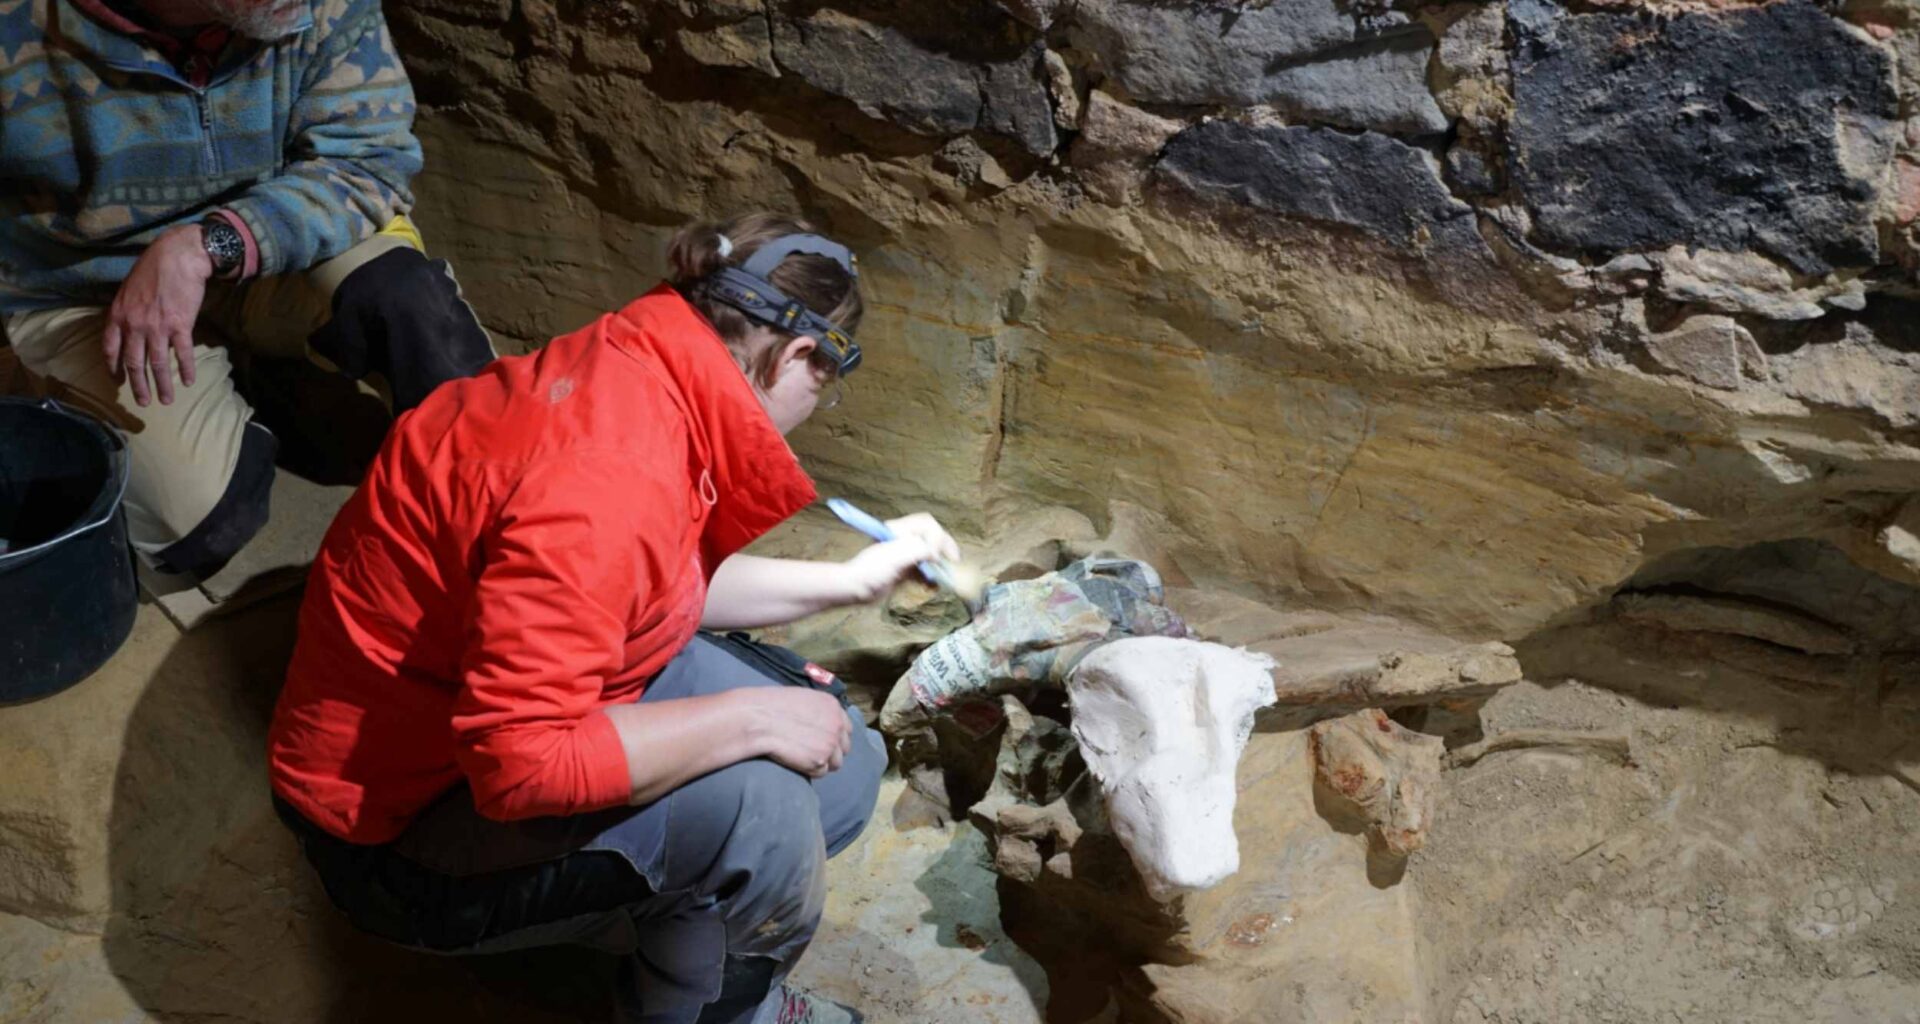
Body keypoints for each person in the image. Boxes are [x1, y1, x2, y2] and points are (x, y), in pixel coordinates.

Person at [267, 212, 957, 1023]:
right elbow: (520, 762)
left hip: (462, 720)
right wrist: (746, 719)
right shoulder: (608, 474)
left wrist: (851, 581)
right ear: (799, 354)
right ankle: (716, 1009)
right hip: (400, 831)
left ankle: (669, 910)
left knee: (839, 767)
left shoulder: (637, 366)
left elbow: (645, 581)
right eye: (828, 384)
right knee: (765, 815)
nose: (820, 403)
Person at [0, 0, 495, 583]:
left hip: (265, 242)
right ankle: (51, 388)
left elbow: (371, 162)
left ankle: (490, 510)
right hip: (87, 290)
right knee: (197, 529)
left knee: (412, 312)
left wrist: (205, 246)